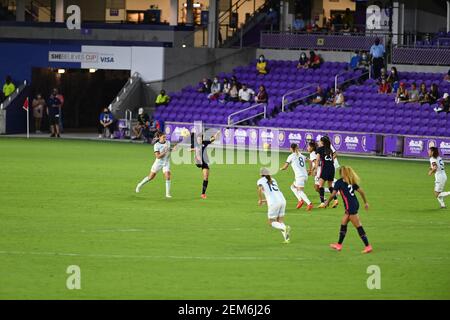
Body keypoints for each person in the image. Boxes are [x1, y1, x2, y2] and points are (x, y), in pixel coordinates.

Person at [324, 166, 372, 254]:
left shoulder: (339, 182)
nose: (340, 173)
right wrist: (365, 202)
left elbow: (333, 194)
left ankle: (368, 246)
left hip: (350, 206)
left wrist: (327, 201)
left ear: (343, 173)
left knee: (358, 226)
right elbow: (361, 192)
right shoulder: (351, 181)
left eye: (341, 172)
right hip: (354, 203)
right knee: (343, 223)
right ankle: (339, 245)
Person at [135, 132, 175, 198]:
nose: (165, 138)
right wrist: (165, 151)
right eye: (163, 137)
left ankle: (167, 194)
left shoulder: (168, 142)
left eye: (165, 137)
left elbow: (169, 149)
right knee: (151, 177)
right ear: (159, 137)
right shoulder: (156, 145)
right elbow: (158, 156)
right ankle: (139, 185)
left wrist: (173, 149)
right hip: (158, 163)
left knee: (167, 176)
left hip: (166, 162)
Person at [257, 167, 291, 243]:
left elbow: (259, 189)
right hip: (282, 200)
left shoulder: (260, 181)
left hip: (274, 202)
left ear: (261, 174)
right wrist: (264, 200)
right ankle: (287, 238)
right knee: (280, 220)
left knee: (271, 222)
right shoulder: (273, 180)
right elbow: (273, 193)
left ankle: (285, 228)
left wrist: (260, 199)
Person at [280, 143, 313, 211]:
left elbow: (285, 167)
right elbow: (310, 161)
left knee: (300, 191)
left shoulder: (291, 156)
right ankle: (300, 200)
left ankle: (309, 203)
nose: (289, 149)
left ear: (292, 149)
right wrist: (310, 170)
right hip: (305, 175)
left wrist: (281, 168)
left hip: (299, 176)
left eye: (290, 148)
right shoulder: (301, 155)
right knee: (292, 187)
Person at [191, 130, 221, 199]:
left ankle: (203, 194)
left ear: (202, 139)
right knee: (198, 154)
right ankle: (199, 161)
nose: (199, 140)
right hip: (198, 161)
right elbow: (195, 149)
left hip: (204, 162)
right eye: (198, 139)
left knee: (206, 177)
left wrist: (217, 133)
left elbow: (213, 139)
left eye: (201, 139)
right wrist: (193, 150)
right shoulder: (196, 144)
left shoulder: (204, 143)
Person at [314, 136, 338, 208]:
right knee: (330, 186)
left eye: (319, 141)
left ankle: (322, 203)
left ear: (322, 142)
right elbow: (334, 156)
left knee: (320, 185)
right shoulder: (329, 149)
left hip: (325, 168)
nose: (318, 142)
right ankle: (336, 200)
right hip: (332, 168)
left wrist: (315, 169)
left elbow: (317, 160)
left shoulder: (320, 149)